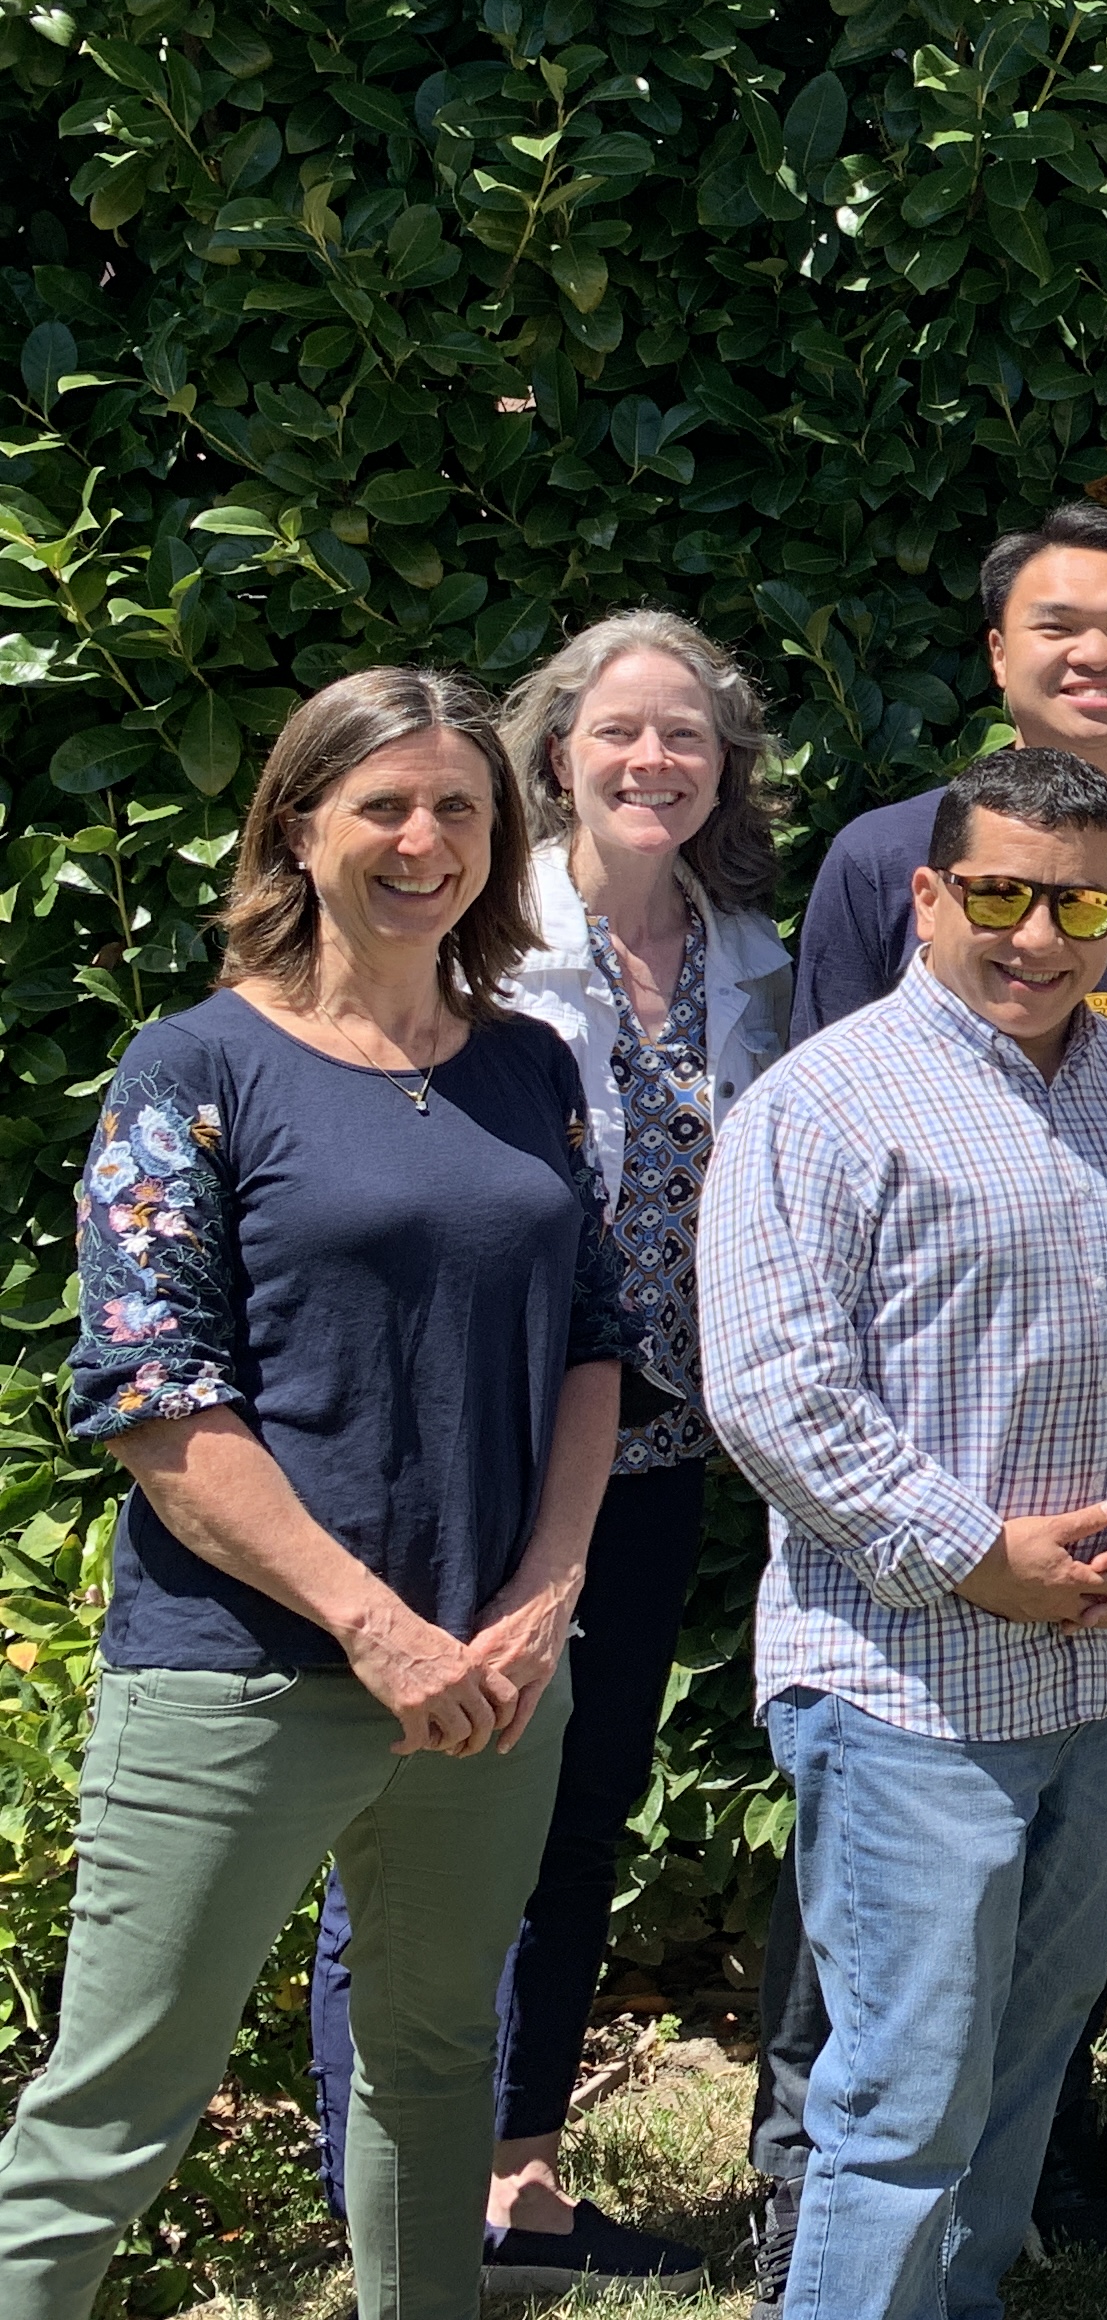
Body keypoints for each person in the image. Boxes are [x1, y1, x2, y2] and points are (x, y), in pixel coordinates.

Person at [0, 670, 629, 2320]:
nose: (425, 840)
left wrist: (544, 1591)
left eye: (460, 809)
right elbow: (151, 1396)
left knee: (434, 2065)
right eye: (384, 806)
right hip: (244, 1676)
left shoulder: (531, 1064)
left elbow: (595, 1337)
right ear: (298, 825)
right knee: (112, 2109)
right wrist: (375, 1626)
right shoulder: (192, 1065)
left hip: (493, 1677)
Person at [754, 500, 1107, 2280]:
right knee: (897, 2102)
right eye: (1001, 898)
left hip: (1093, 1671)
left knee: (1023, 2078)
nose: (1038, 934)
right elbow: (778, 1392)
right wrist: (981, 1555)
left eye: (1079, 906)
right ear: (929, 893)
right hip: (905, 1676)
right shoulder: (825, 1100)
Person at [298, 614, 793, 2292]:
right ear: (557, 751)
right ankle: (383, 2193)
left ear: (724, 766)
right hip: (478, 1429)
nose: (654, 758)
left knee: (576, 1811)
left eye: (687, 734)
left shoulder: (753, 957)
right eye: (620, 729)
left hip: (649, 1447)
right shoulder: (484, 937)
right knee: (419, 1805)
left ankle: (517, 2172)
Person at [787, 501, 1107, 1048]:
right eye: (1057, 627)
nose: (1096, 653)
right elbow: (826, 1072)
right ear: (999, 654)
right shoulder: (881, 856)